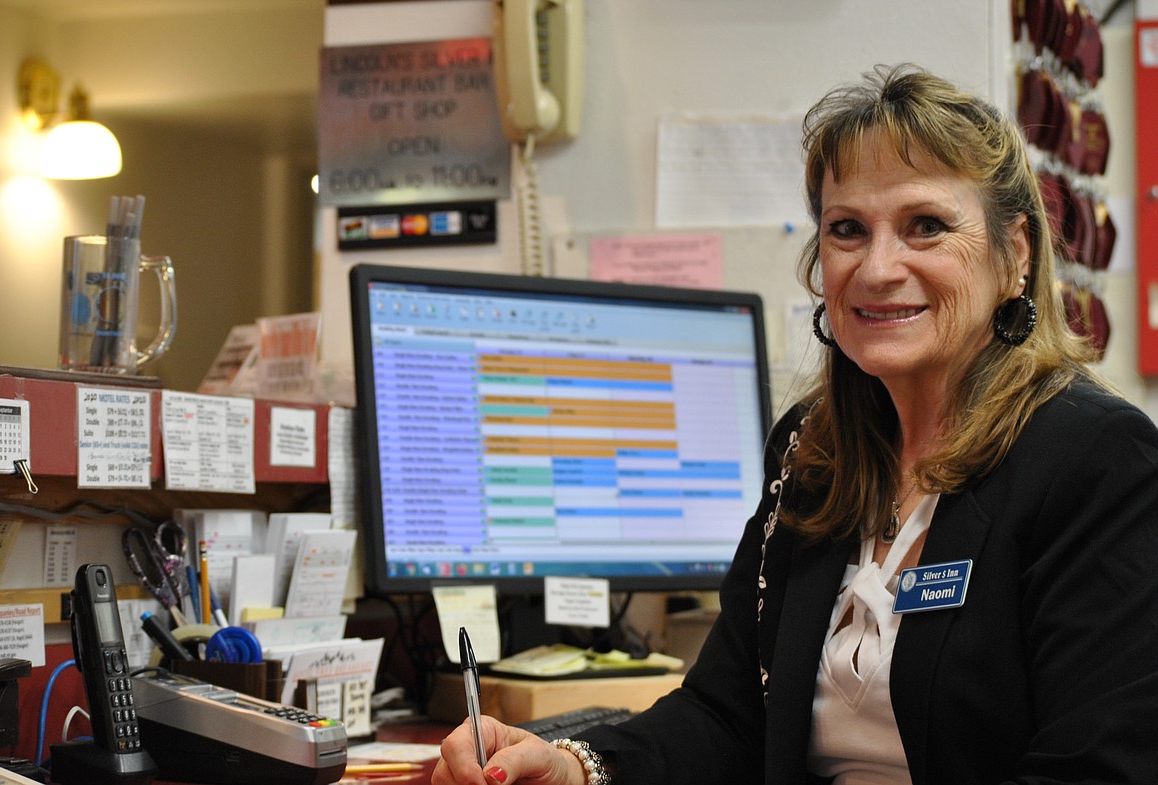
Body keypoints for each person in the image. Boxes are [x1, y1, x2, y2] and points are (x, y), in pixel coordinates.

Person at [431, 63, 1158, 785]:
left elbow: (1098, 767)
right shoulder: (813, 450)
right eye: (847, 229)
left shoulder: (1096, 461)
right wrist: (573, 765)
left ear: (1016, 256)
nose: (876, 267)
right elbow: (728, 715)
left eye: (925, 226)